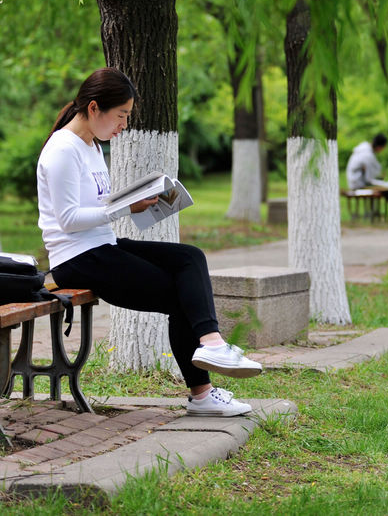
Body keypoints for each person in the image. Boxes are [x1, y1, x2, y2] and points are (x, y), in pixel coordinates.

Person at [36, 67, 262, 417]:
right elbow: (68, 220)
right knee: (181, 295)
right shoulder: (63, 149)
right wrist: (125, 207)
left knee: (189, 258)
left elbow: (97, 207)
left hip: (101, 247)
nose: (123, 125)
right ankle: (202, 393)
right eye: (121, 115)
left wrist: (139, 200)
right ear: (94, 108)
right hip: (76, 260)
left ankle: (212, 344)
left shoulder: (91, 146)